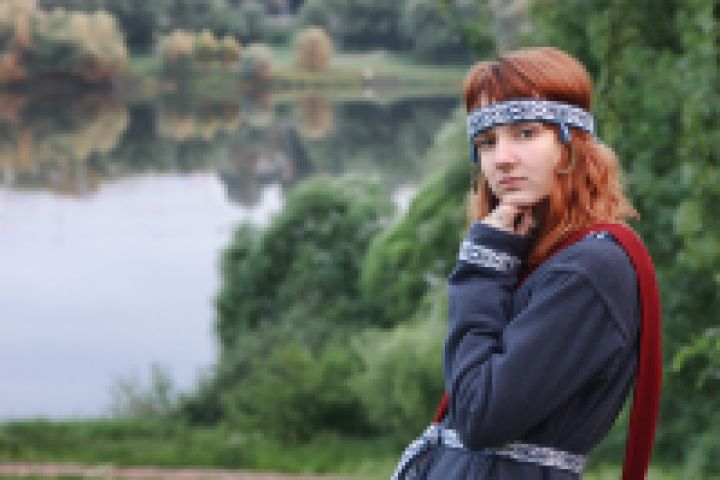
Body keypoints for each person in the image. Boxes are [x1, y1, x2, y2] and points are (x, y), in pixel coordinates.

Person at [391, 47, 662, 480]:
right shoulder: (535, 256)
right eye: (487, 142)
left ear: (571, 146)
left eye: (525, 133)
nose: (502, 158)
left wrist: (480, 268)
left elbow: (478, 416)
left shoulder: (588, 269)